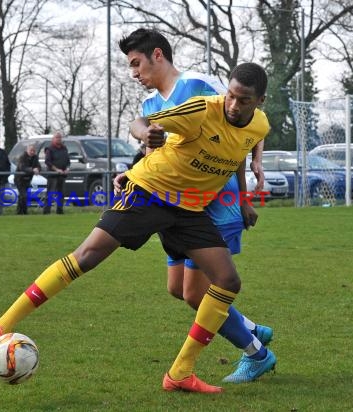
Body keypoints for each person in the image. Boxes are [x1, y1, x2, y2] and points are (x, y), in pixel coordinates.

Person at [0, 61, 270, 394]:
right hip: (150, 192)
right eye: (230, 95)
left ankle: (180, 373)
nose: (233, 104)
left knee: (227, 281)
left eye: (243, 100)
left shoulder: (259, 126)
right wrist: (147, 134)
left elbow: (239, 152)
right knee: (87, 256)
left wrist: (242, 199)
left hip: (190, 209)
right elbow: (139, 123)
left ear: (259, 102)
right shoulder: (201, 109)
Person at [117, 28, 275, 384]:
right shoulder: (148, 107)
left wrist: (246, 191)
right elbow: (153, 154)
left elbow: (236, 132)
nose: (134, 73)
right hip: (173, 207)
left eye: (136, 64)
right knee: (178, 288)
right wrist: (130, 173)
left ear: (158, 55)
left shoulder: (198, 85)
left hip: (213, 207)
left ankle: (255, 351)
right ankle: (248, 328)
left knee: (195, 292)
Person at [43, 131, 70, 215]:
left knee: (61, 194)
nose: (59, 139)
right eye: (57, 137)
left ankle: (60, 210)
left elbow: (68, 160)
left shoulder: (64, 148)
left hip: (62, 175)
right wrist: (56, 170)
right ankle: (46, 211)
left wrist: (67, 168)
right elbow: (47, 162)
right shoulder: (49, 149)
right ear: (53, 139)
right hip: (53, 175)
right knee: (50, 194)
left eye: (60, 137)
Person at [15, 144, 41, 215]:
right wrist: (33, 170)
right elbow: (22, 167)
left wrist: (37, 169)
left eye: (33, 150)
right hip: (19, 179)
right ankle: (23, 212)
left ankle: (20, 212)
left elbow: (38, 166)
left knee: (22, 196)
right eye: (31, 150)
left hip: (28, 179)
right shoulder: (22, 157)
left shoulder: (35, 157)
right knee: (24, 195)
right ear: (27, 150)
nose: (32, 152)